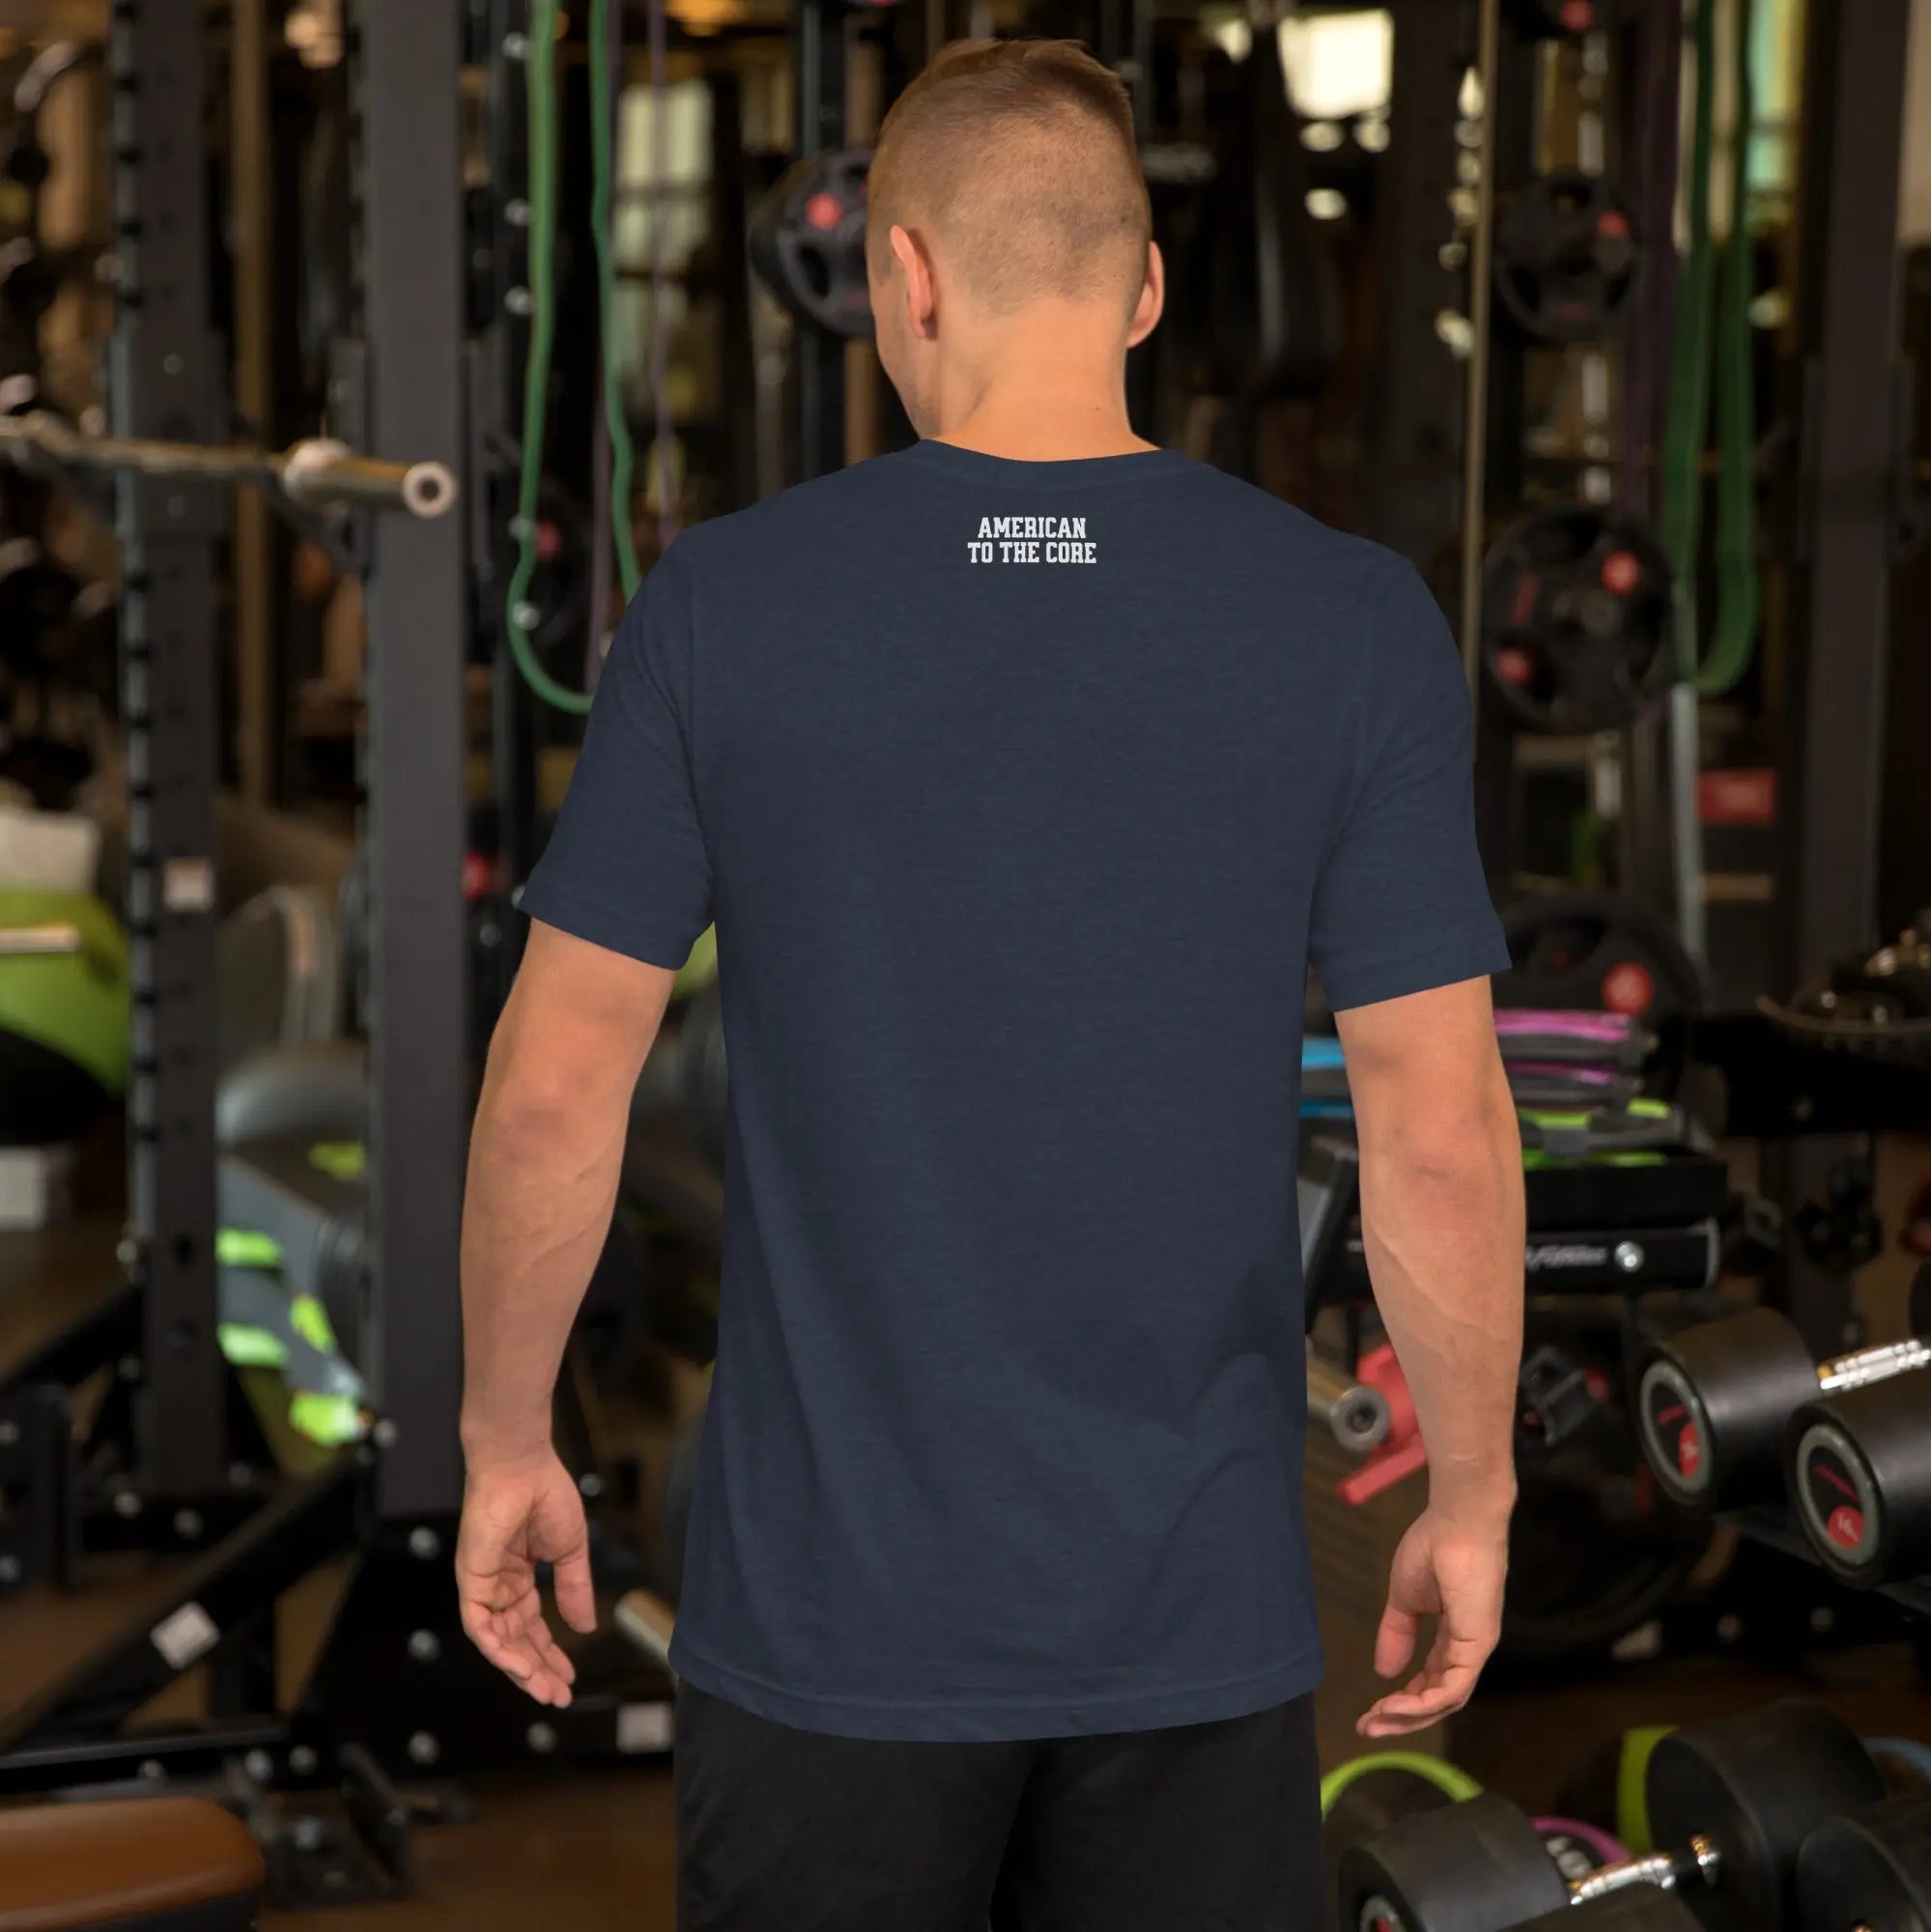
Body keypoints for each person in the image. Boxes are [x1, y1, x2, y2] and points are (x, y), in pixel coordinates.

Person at [456, 37, 1523, 1932]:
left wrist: (506, 1442)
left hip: (828, 1632)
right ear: (1147, 287)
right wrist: (1475, 1494)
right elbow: (1431, 1121)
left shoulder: (724, 604)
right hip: (1192, 1624)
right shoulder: (1347, 618)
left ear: (904, 274)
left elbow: (554, 1089)